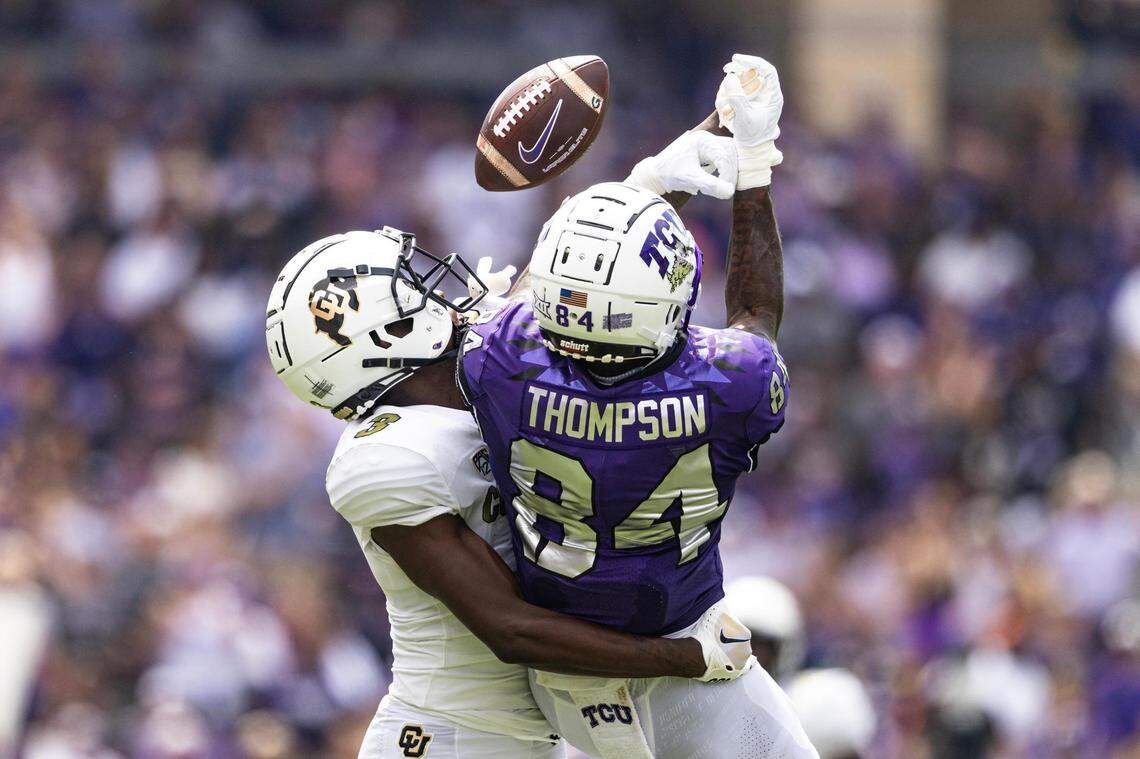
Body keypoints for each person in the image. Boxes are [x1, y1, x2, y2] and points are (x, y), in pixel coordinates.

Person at [264, 130, 750, 756]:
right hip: (450, 740)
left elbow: (570, 288)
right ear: (382, 336)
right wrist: (685, 658)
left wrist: (658, 181)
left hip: (543, 736)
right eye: (410, 286)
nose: (437, 287)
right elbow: (510, 627)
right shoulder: (386, 459)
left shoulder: (476, 369)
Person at [457, 54, 817, 758]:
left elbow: (550, 283)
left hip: (564, 670)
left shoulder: (499, 359)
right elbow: (755, 312)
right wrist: (751, 162)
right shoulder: (727, 384)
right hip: (690, 644)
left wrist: (654, 177)